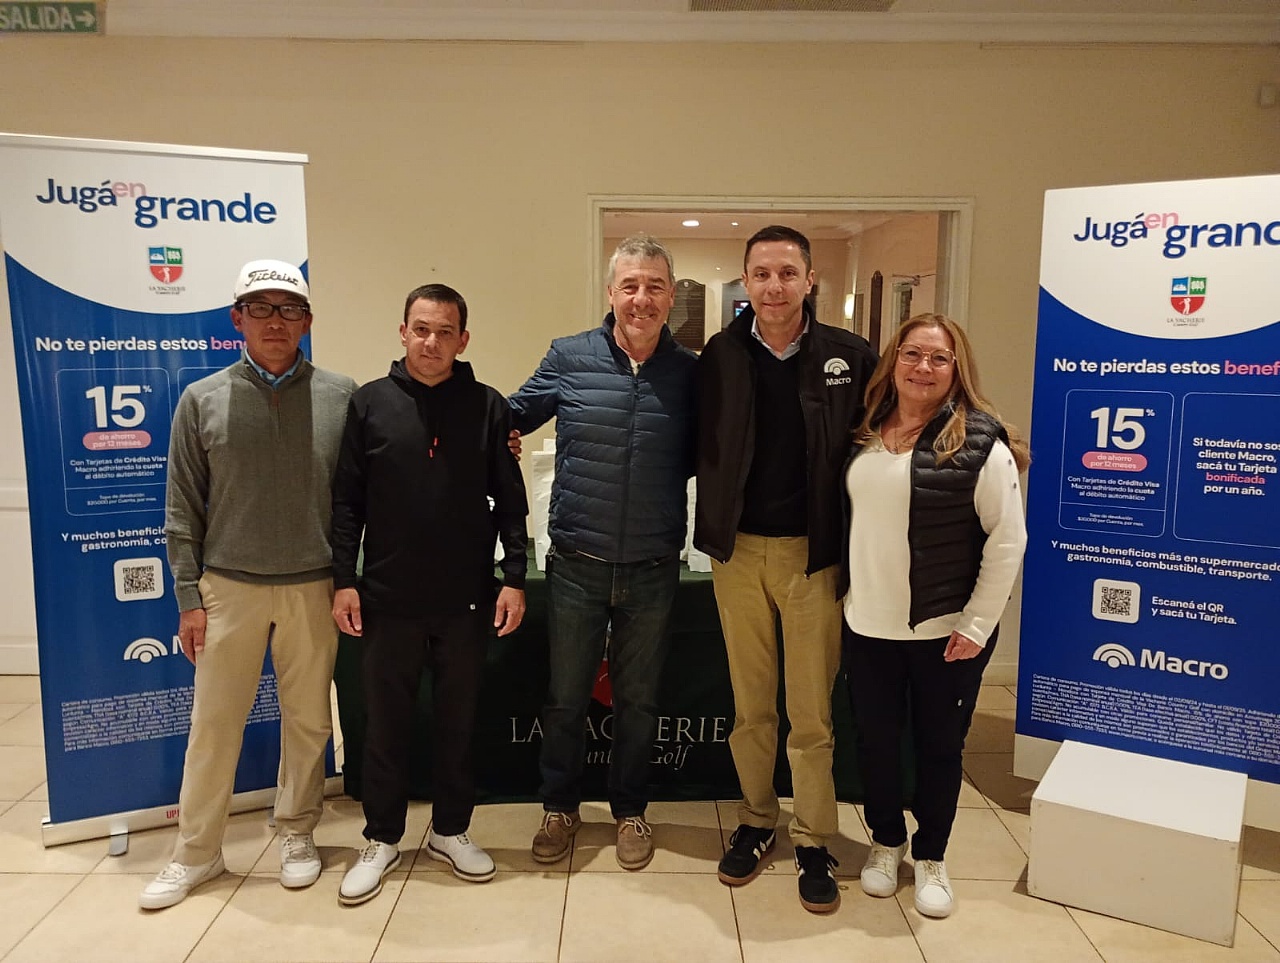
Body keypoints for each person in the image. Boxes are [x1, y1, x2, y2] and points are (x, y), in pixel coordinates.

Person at [141, 260, 357, 910]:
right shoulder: (202, 399)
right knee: (214, 724)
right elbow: (181, 509)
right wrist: (188, 598)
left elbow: (364, 494)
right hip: (228, 589)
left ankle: (296, 832)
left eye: (288, 309)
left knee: (309, 722)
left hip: (312, 587)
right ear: (237, 319)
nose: (275, 321)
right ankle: (196, 852)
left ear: (307, 321)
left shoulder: (341, 396)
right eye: (260, 308)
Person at [695, 225, 877, 913]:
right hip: (738, 553)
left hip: (813, 555)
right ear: (746, 281)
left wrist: (985, 435)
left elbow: (900, 427)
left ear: (810, 280)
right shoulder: (718, 355)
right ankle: (755, 818)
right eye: (762, 274)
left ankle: (813, 836)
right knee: (750, 706)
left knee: (811, 712)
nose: (774, 286)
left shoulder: (849, 357)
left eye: (787, 273)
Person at [329, 283, 529, 905]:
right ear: (403, 332)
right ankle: (382, 837)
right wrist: (343, 580)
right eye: (421, 329)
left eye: (445, 332)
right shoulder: (369, 404)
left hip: (466, 600)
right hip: (387, 599)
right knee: (385, 726)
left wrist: (515, 576)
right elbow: (346, 503)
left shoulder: (489, 407)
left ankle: (450, 830)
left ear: (463, 340)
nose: (432, 342)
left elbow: (512, 501)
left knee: (457, 723)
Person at [508, 234, 696, 871]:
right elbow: (510, 416)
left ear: (671, 297)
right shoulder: (570, 355)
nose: (642, 298)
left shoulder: (691, 373)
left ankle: (631, 810)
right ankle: (559, 806)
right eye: (630, 285)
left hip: (653, 564)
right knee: (566, 697)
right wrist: (488, 431)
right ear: (611, 292)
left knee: (638, 700)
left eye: (655, 286)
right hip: (577, 563)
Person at [841, 313, 1028, 919]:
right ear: (893, 360)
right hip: (867, 624)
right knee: (876, 743)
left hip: (944, 632)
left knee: (939, 748)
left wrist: (976, 626)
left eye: (938, 358)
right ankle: (886, 840)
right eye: (912, 354)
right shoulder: (864, 430)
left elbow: (1008, 541)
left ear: (956, 370)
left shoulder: (980, 444)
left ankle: (931, 855)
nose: (923, 367)